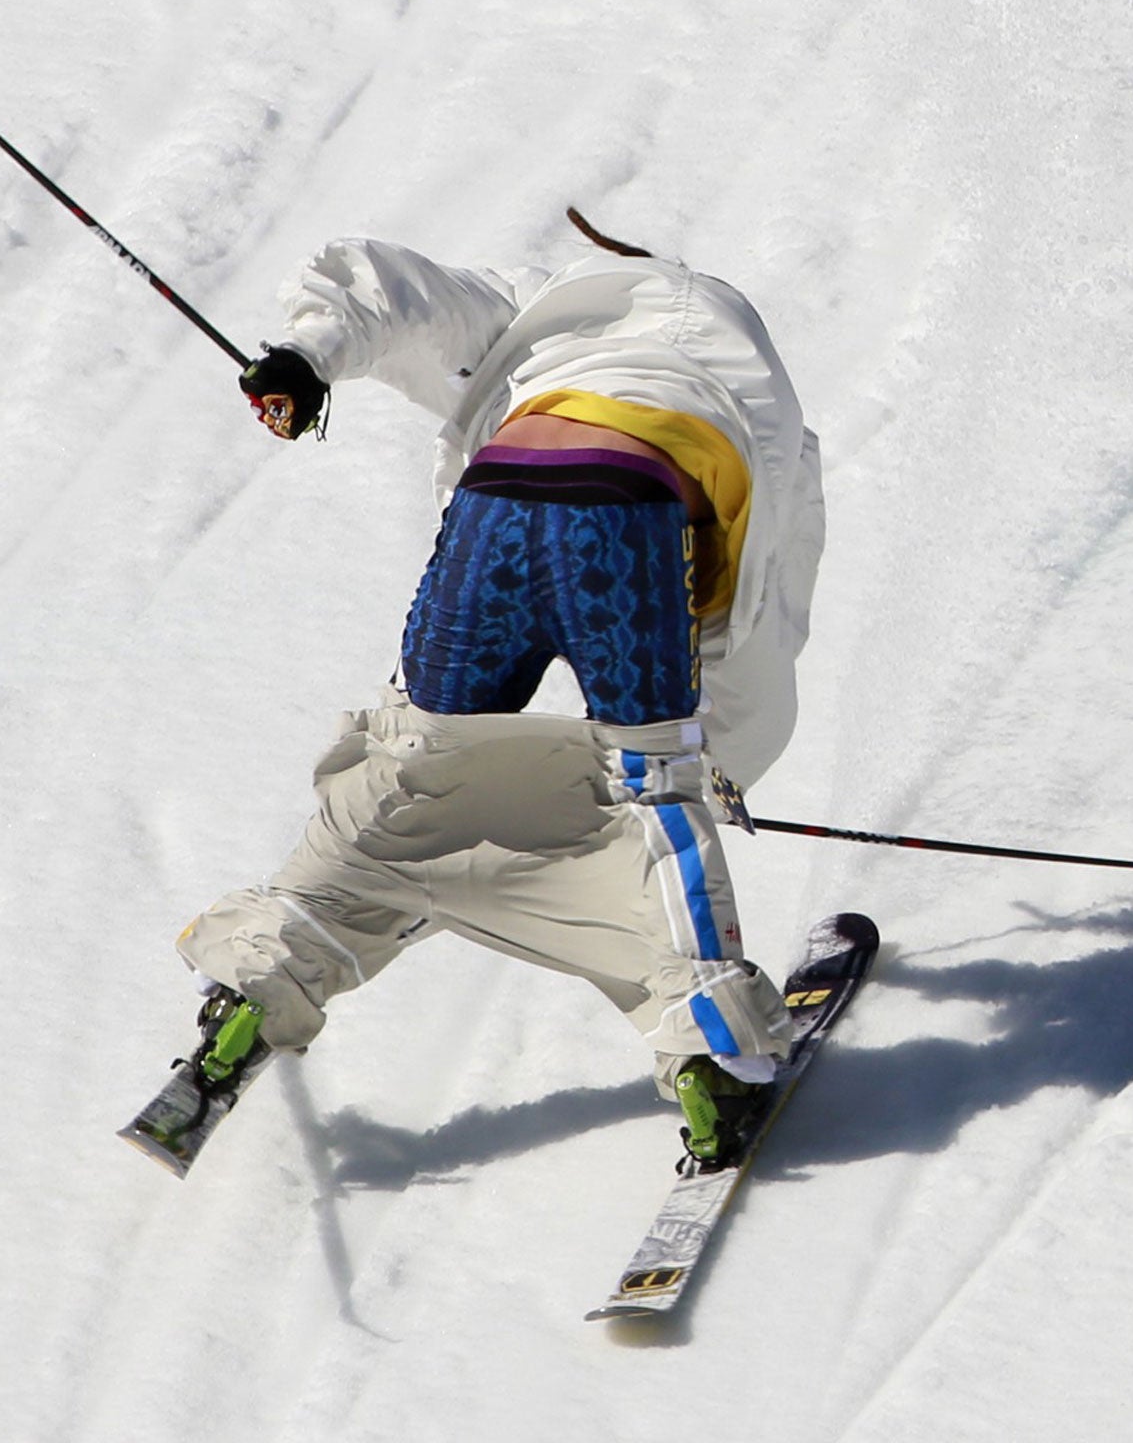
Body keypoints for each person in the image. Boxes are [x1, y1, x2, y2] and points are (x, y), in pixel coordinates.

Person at [170, 220, 825, 1167]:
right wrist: (716, 768)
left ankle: (261, 985)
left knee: (408, 770)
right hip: (630, 525)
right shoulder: (760, 382)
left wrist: (306, 358)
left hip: (498, 516)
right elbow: (768, 607)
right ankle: (715, 1062)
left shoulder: (551, 304)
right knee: (656, 794)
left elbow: (397, 293)